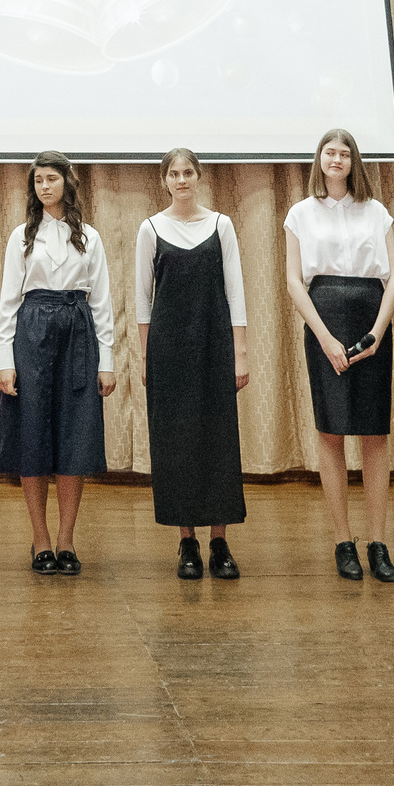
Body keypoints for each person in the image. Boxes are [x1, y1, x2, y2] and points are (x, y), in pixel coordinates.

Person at [282, 129, 394, 583]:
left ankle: (377, 542)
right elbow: (295, 281)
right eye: (330, 152)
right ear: (320, 159)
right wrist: (326, 338)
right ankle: (343, 541)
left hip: (372, 321)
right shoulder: (300, 213)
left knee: (374, 435)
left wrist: (376, 333)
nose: (337, 159)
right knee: (331, 433)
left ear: (354, 161)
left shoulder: (376, 212)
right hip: (324, 319)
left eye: (345, 153)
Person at [0, 150, 116, 575]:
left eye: (51, 179)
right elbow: (9, 302)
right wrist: (5, 360)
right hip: (32, 333)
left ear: (67, 182)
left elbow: (101, 301)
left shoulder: (90, 237)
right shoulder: (21, 237)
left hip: (78, 334)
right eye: (38, 181)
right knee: (33, 434)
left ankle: (66, 539)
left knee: (73, 435)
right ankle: (40, 538)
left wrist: (108, 361)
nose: (45, 187)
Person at [135, 146, 248, 580]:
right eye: (173, 173)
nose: (181, 180)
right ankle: (187, 541)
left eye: (188, 172)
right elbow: (143, 301)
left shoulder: (222, 225)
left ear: (199, 177)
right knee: (176, 441)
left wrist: (241, 352)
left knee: (218, 438)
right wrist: (146, 357)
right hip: (168, 351)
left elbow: (235, 292)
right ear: (164, 181)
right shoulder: (150, 229)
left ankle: (219, 540)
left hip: (215, 346)